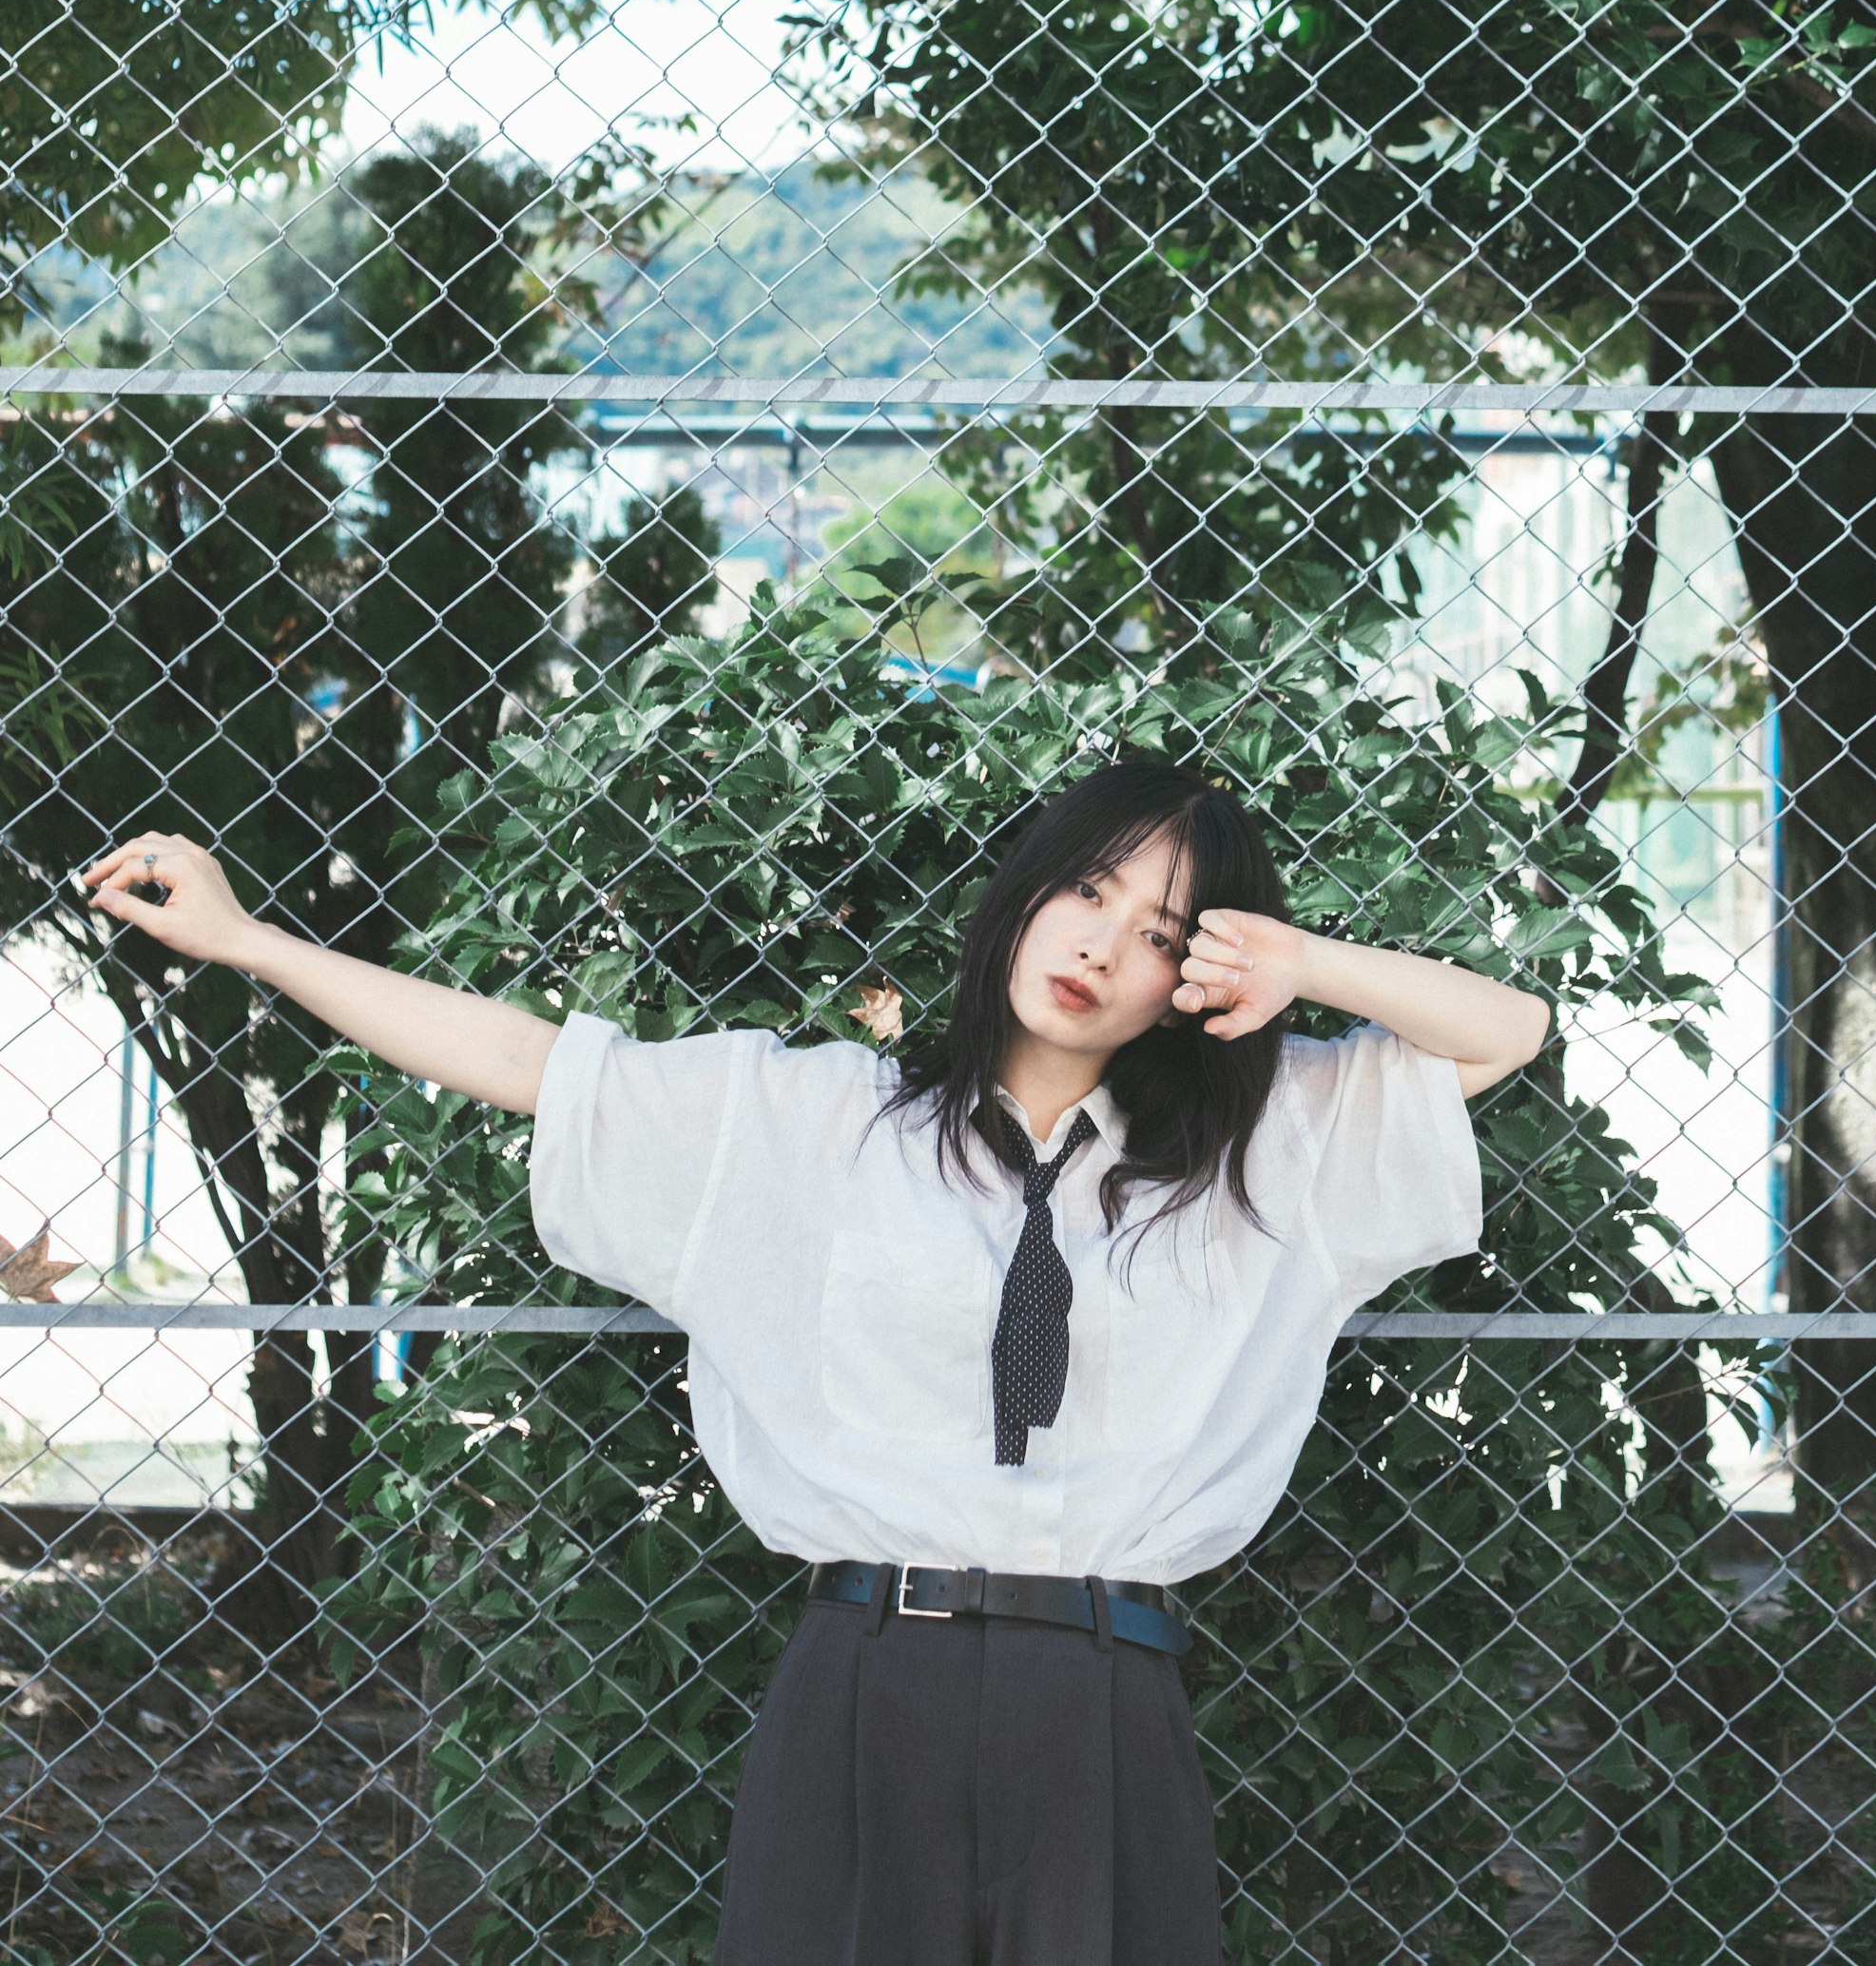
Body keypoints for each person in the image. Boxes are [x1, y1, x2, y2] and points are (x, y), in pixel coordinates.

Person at [80, 760, 1547, 1964]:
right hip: (868, 1679)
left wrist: (1301, 964)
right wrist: (250, 941)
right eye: (1089, 891)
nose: (1105, 945)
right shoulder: (814, 1124)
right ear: (1026, 895)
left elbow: (1504, 1035)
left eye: (1165, 930)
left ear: (1197, 973)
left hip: (1108, 1693)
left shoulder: (1267, 1149)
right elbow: (533, 1065)